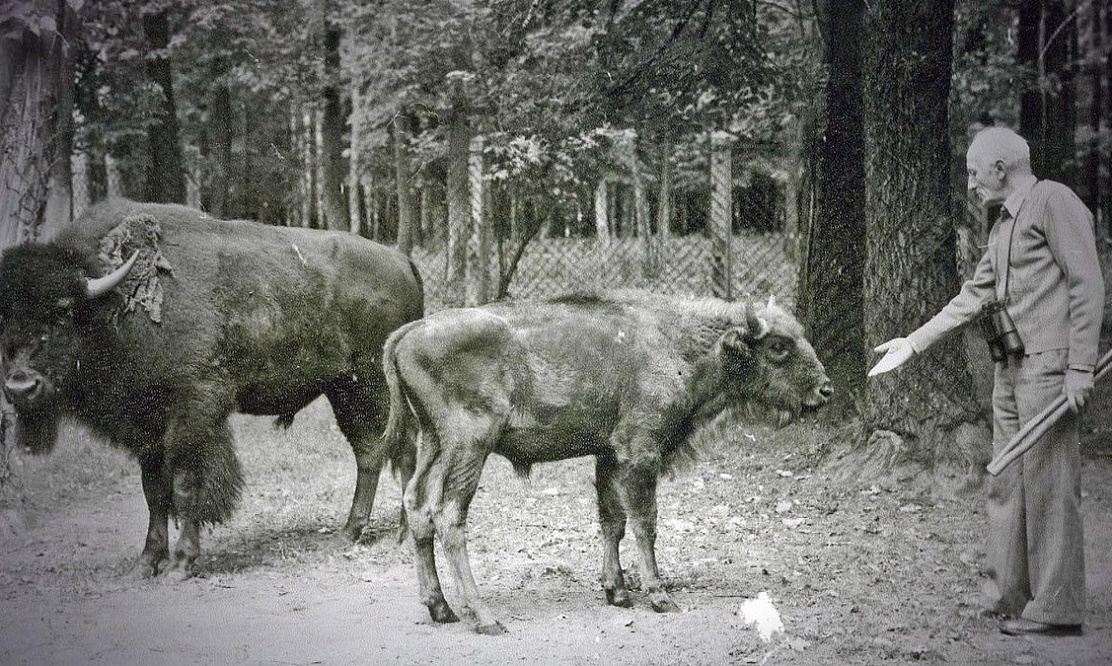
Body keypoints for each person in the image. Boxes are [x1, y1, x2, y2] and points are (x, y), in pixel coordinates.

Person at [869, 126, 1105, 636]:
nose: (971, 184)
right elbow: (973, 296)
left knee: (1049, 484)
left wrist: (1082, 366)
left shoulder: (1053, 202)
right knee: (1006, 481)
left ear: (1000, 169)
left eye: (975, 173)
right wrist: (912, 342)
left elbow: (1088, 283)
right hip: (1011, 369)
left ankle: (1057, 609)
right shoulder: (1001, 226)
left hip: (1050, 366)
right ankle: (1008, 595)